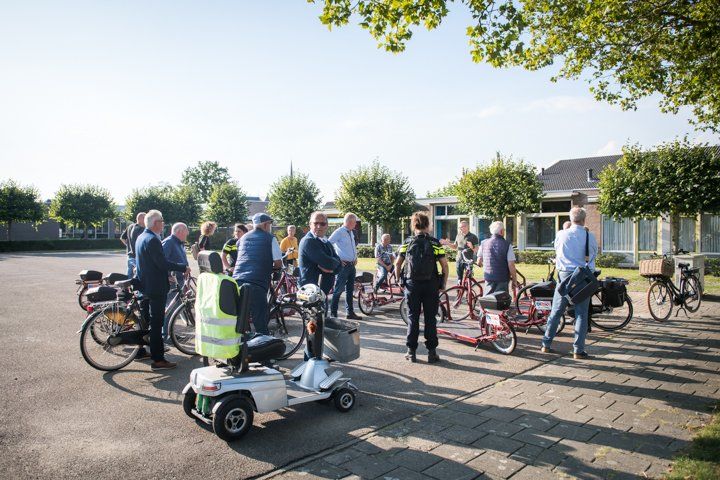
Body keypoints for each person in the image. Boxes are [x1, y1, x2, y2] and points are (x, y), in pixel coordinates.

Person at [135, 210, 190, 370]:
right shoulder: (153, 239)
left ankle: (141, 350)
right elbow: (162, 263)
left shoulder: (142, 237)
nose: (163, 224)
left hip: (144, 285)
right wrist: (182, 267)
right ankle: (158, 359)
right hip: (155, 287)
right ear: (155, 223)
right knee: (156, 323)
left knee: (145, 321)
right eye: (162, 221)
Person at [541, 207, 598, 359]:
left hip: (564, 276)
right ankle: (578, 350)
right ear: (584, 219)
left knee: (556, 311)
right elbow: (593, 255)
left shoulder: (561, 234)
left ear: (571, 219)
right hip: (582, 277)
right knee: (581, 314)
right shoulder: (589, 236)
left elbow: (557, 251)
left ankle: (546, 344)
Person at [395, 211, 448, 364]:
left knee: (413, 317)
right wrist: (443, 284)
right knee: (430, 318)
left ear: (414, 225)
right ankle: (432, 353)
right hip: (431, 284)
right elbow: (444, 265)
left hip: (412, 284)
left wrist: (399, 280)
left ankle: (411, 352)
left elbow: (398, 263)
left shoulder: (407, 242)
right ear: (427, 225)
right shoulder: (434, 242)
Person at [232, 213, 282, 335]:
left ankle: (242, 342)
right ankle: (263, 343)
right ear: (265, 225)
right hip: (257, 282)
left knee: (241, 317)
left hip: (237, 280)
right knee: (260, 320)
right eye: (269, 224)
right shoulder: (270, 238)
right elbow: (278, 263)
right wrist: (271, 268)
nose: (270, 227)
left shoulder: (242, 238)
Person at [328, 213, 362, 320]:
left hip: (351, 265)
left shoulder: (351, 232)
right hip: (343, 266)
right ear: (349, 222)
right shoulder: (339, 232)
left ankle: (350, 313)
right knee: (338, 290)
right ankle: (333, 315)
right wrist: (337, 259)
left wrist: (355, 257)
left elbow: (351, 247)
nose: (356, 224)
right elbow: (328, 244)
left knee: (350, 290)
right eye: (355, 222)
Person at [298, 212, 341, 296]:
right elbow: (328, 263)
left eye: (322, 224)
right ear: (310, 224)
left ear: (327, 225)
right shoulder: (308, 241)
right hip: (310, 291)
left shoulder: (326, 242)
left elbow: (339, 264)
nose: (319, 226)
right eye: (315, 223)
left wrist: (332, 269)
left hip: (321, 292)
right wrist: (335, 263)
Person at [476, 221, 517, 295]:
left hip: (489, 276)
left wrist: (483, 265)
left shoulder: (484, 243)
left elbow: (478, 261)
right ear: (501, 231)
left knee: (488, 299)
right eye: (504, 230)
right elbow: (511, 265)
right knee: (501, 299)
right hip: (502, 277)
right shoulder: (507, 245)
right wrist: (514, 280)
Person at [162, 222, 189, 288]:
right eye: (186, 230)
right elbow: (161, 261)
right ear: (180, 231)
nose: (188, 233)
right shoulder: (169, 242)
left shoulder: (179, 243)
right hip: (172, 282)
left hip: (180, 280)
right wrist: (167, 276)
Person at [119, 212, 145, 277]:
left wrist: (128, 246)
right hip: (137, 256)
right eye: (145, 218)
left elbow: (122, 238)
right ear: (141, 219)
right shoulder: (141, 229)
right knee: (138, 275)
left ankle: (127, 283)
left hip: (130, 255)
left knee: (129, 275)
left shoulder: (130, 226)